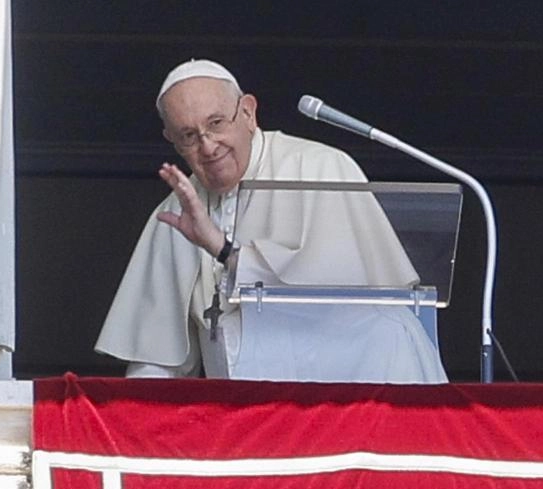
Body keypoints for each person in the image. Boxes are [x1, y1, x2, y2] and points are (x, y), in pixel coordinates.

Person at [94, 59, 448, 383]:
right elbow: (160, 357)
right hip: (244, 421)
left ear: (248, 112)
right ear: (171, 141)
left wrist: (225, 250)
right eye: (189, 136)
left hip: (351, 401)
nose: (208, 146)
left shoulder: (320, 169)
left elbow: (338, 308)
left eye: (216, 123)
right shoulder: (176, 213)